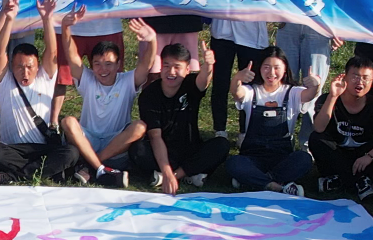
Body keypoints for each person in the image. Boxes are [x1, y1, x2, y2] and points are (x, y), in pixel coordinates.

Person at [0, 0, 77, 185]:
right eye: (19, 67)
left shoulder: (45, 78)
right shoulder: (4, 81)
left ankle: (13, 175)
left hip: (41, 147)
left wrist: (47, 18)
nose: (25, 72)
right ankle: (43, 172)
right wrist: (9, 18)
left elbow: (52, 52)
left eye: (29, 67)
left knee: (71, 152)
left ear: (38, 67)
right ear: (12, 66)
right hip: (12, 148)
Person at [59, 18, 154, 188]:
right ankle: (101, 169)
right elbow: (72, 55)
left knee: (139, 126)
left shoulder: (127, 80)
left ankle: (93, 166)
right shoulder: (88, 79)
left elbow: (146, 65)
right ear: (91, 65)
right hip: (88, 140)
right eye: (97, 64)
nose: (103, 70)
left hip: (116, 145)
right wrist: (65, 27)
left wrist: (152, 40)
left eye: (109, 64)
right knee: (68, 122)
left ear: (118, 64)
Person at [132, 40, 231, 196]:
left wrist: (208, 65)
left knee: (221, 144)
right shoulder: (149, 94)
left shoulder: (190, 84)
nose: (171, 72)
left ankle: (173, 176)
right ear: (160, 67)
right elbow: (155, 136)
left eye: (177, 67)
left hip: (190, 150)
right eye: (166, 66)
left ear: (187, 70)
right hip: (163, 152)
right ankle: (189, 175)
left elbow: (204, 80)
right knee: (137, 149)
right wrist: (166, 169)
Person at [225, 48, 321, 194]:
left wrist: (316, 85)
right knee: (234, 163)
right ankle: (278, 186)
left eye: (277, 68)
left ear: (285, 69)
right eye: (266, 67)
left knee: (304, 158)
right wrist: (237, 78)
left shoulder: (292, 92)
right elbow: (236, 92)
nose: (271, 73)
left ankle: (257, 181)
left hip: (282, 157)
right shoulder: (251, 91)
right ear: (259, 68)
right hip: (253, 156)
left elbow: (309, 95)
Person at [308, 57, 373, 200]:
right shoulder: (328, 98)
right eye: (355, 76)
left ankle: (338, 181)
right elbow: (319, 128)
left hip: (362, 157)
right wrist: (333, 97)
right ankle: (358, 181)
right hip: (335, 153)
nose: (360, 82)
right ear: (345, 77)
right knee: (316, 138)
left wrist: (370, 156)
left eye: (365, 78)